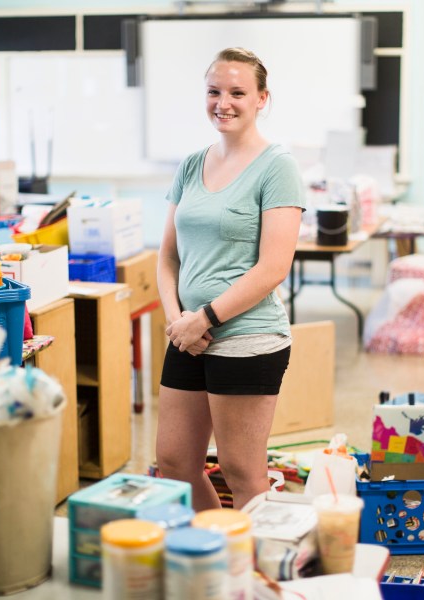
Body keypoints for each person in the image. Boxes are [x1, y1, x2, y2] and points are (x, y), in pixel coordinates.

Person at [156, 47, 306, 511]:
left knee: (243, 472)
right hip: (188, 335)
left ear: (262, 98)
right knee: (175, 463)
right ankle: (218, 555)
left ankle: (256, 577)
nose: (224, 102)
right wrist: (179, 322)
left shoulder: (277, 165)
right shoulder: (190, 164)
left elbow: (273, 267)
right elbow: (166, 257)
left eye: (238, 92)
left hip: (247, 335)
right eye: (214, 91)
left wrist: (205, 318)